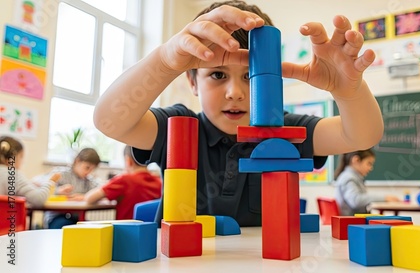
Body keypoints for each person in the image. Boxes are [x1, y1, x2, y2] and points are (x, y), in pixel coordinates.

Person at [93, 1, 384, 227]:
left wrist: (347, 91)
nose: (235, 92)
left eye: (250, 76)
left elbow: (360, 134)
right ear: (192, 82)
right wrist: (165, 61)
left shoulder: (284, 130)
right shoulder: (179, 126)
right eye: (218, 75)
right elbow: (109, 120)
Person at [84, 145, 162, 220]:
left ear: (128, 161)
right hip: (152, 231)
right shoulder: (159, 181)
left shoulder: (125, 180)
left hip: (126, 231)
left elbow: (89, 198)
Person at [44, 147, 101, 228]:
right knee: (66, 227)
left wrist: (84, 197)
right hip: (56, 217)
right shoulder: (61, 174)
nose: (88, 172)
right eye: (87, 167)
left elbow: (102, 189)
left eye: (92, 169)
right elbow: (42, 189)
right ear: (77, 161)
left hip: (77, 218)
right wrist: (58, 191)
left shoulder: (88, 181)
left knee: (93, 228)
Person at [333, 149, 400, 215]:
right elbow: (356, 201)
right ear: (356, 160)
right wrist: (385, 198)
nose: (371, 168)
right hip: (353, 221)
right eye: (369, 163)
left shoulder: (351, 176)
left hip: (355, 219)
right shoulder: (349, 178)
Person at [0, 136, 61, 206]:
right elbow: (39, 199)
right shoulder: (13, 175)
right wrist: (50, 182)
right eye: (21, 157)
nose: (23, 162)